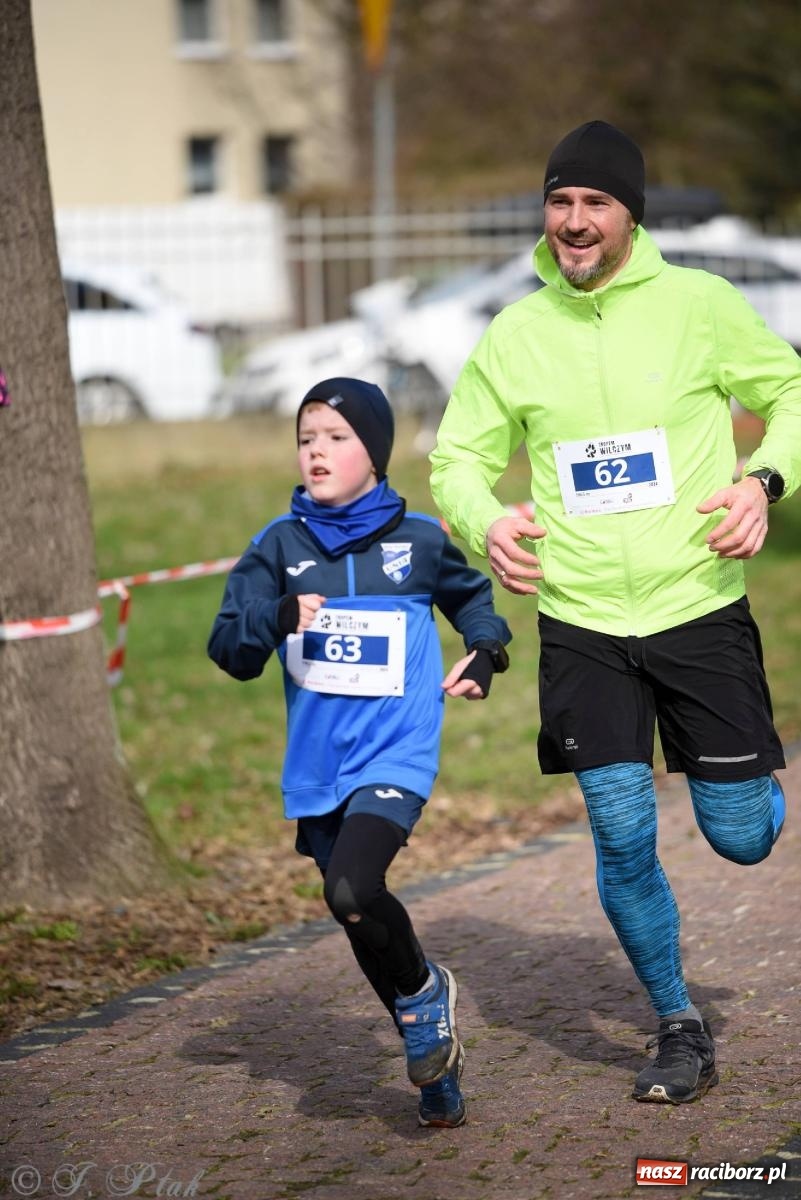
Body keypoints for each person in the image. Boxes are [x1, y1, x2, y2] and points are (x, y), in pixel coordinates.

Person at [429, 120, 800, 1105]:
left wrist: (762, 480)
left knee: (741, 836)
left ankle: (756, 790)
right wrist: (483, 522)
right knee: (622, 832)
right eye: (560, 202)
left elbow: (792, 392)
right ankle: (677, 1024)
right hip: (581, 620)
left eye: (595, 202)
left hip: (696, 605)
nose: (574, 220)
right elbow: (457, 458)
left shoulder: (699, 306)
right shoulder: (515, 333)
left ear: (630, 213)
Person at [208, 376, 511, 1128]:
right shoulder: (277, 545)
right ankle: (432, 1062)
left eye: (335, 438)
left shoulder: (420, 539)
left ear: (373, 452)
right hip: (317, 768)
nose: (316, 452)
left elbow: (472, 599)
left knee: (350, 890)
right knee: (357, 916)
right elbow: (229, 649)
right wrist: (277, 616)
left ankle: (426, 996)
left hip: (395, 750)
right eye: (305, 438)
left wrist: (484, 652)